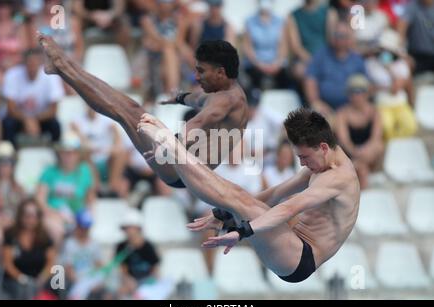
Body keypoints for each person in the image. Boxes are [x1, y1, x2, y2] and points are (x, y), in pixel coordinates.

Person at [137, 109, 360, 283]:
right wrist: (224, 215)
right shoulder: (320, 162)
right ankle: (175, 149)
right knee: (239, 196)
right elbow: (275, 192)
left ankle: (172, 146)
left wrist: (242, 231)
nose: (301, 163)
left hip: (299, 259)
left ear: (322, 147)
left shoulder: (338, 178)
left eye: (304, 157)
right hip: (292, 242)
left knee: (239, 200)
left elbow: (288, 208)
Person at [37, 34, 249, 189]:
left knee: (121, 111)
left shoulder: (225, 101)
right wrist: (180, 98)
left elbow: (198, 123)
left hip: (177, 167)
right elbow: (200, 101)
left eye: (201, 71)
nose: (196, 76)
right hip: (182, 164)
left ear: (221, 72)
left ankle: (61, 66)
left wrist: (164, 147)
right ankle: (61, 66)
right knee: (130, 108)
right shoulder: (228, 93)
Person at [335, 75, 384, 189]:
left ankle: (360, 166)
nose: (357, 95)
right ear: (348, 94)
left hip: (368, 154)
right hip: (350, 153)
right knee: (361, 168)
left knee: (379, 146)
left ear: (366, 93)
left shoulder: (374, 112)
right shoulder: (342, 114)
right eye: (353, 92)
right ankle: (360, 169)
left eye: (360, 91)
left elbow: (376, 138)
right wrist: (355, 152)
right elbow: (344, 140)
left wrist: (363, 153)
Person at [2, 198, 56, 299]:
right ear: (20, 216)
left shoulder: (45, 237)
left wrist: (42, 277)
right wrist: (22, 278)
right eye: (27, 215)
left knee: (56, 284)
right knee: (24, 290)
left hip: (39, 280)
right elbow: (7, 263)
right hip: (15, 281)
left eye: (34, 216)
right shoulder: (11, 234)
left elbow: (51, 263)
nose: (30, 219)